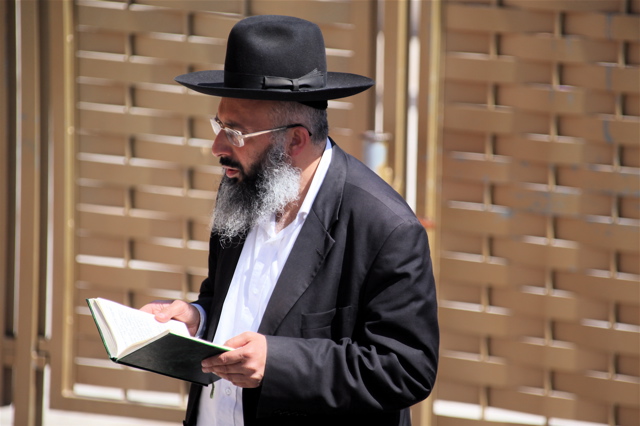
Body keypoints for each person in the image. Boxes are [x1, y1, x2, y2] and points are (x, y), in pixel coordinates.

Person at [141, 14, 439, 426]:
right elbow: (234, 302)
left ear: (295, 140)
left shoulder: (386, 228)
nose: (216, 147)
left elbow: (405, 369)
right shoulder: (246, 187)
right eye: (218, 124)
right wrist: (198, 319)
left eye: (235, 132)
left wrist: (277, 362)